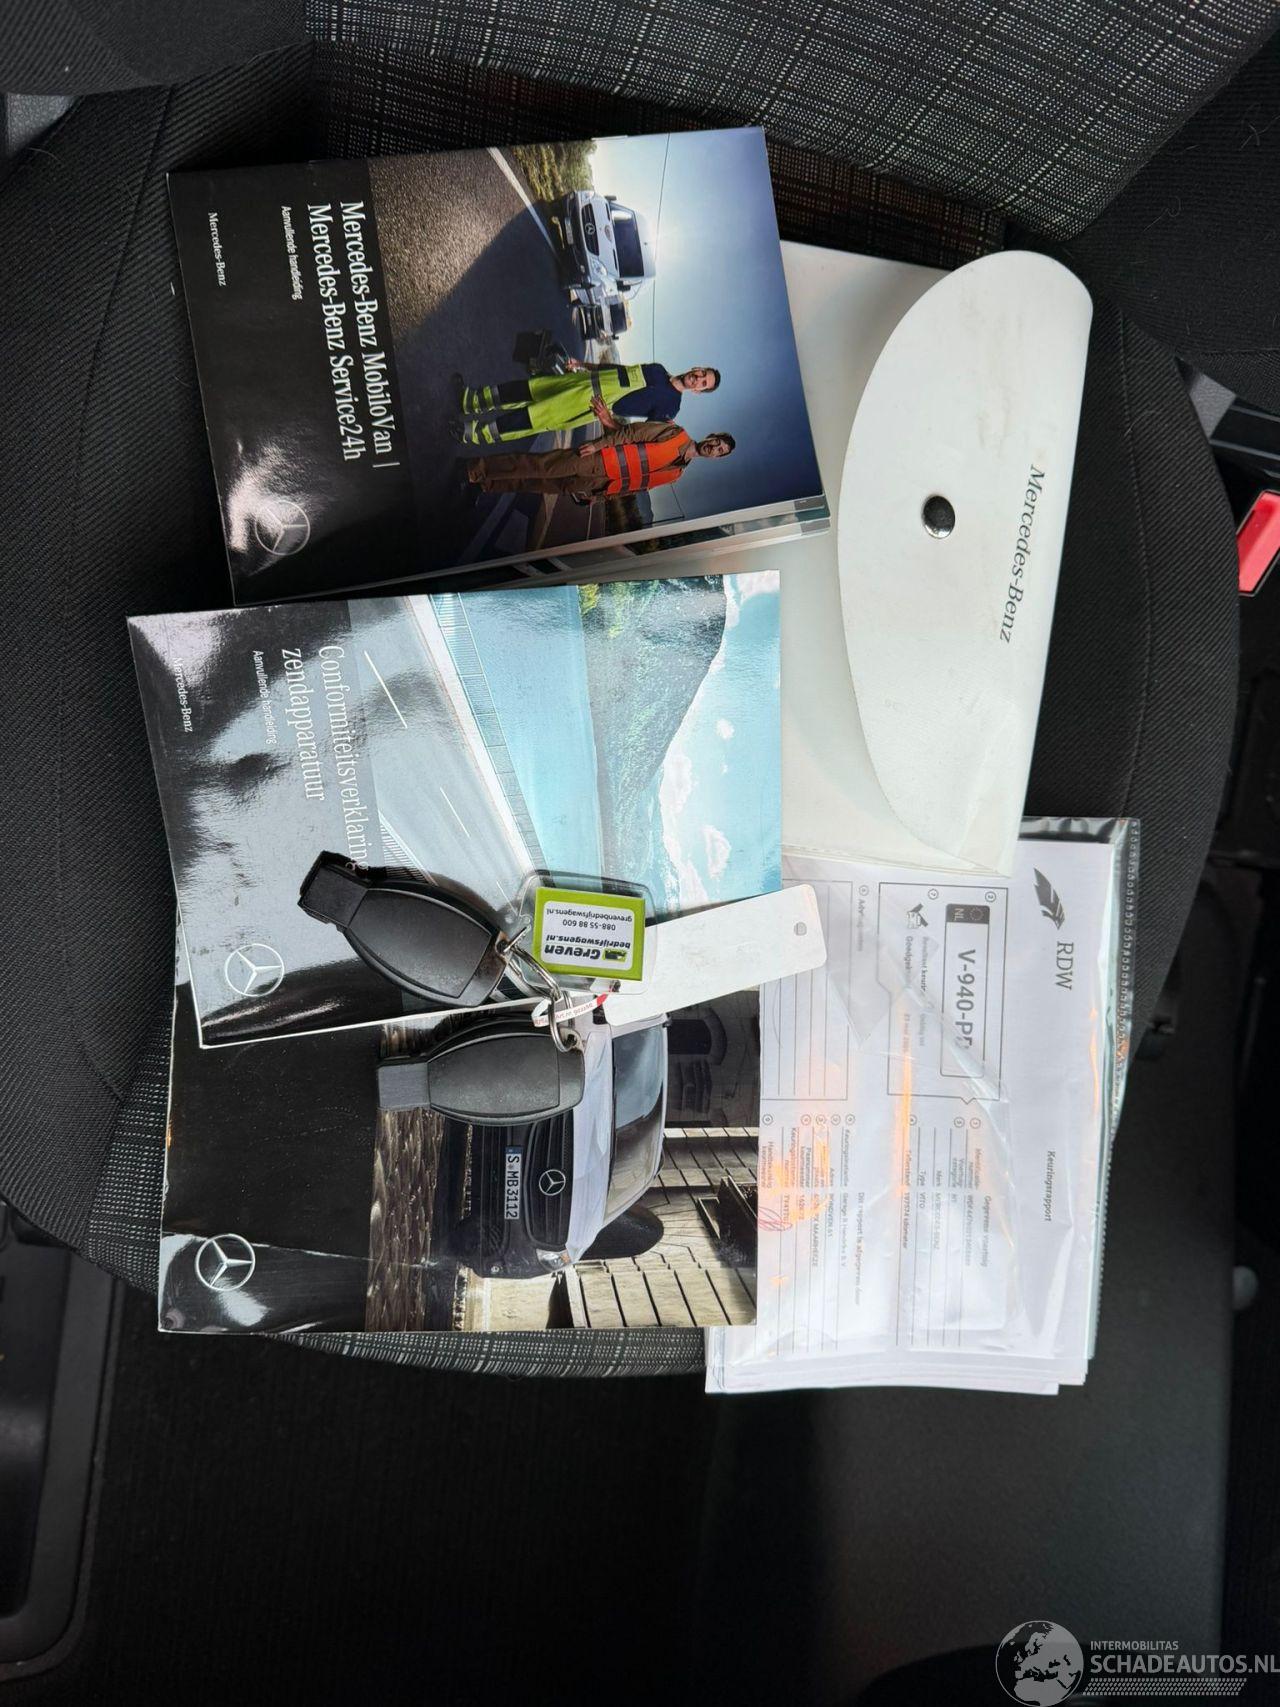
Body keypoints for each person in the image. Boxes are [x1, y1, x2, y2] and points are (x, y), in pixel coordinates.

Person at [453, 361, 720, 444]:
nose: (698, 379)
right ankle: (471, 400)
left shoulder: (671, 408)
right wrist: (583, 365)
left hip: (588, 404)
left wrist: (607, 420)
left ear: (698, 392)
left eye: (703, 383)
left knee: (530, 417)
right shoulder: (658, 369)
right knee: (525, 389)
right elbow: (617, 369)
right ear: (696, 367)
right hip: (580, 381)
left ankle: (472, 433)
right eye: (701, 373)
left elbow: (636, 435)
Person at [464, 419, 735, 499]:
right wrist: (597, 444)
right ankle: (476, 469)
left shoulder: (677, 475)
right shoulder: (676, 433)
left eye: (720, 451)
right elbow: (631, 433)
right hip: (597, 460)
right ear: (712, 435)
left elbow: (636, 487)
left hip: (597, 485)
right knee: (539, 466)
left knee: (535, 485)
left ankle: (487, 485)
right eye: (717, 442)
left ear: (717, 458)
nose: (714, 447)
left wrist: (599, 496)